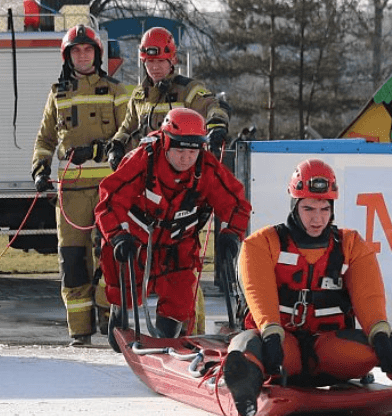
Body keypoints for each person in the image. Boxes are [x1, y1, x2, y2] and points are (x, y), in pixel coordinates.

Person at [222, 159, 392, 416]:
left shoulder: (351, 245)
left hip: (331, 352)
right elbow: (259, 297)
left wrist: (381, 341)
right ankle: (246, 392)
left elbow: (370, 300)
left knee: (391, 341)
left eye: (324, 208)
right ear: (294, 205)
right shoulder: (261, 244)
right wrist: (272, 336)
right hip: (280, 352)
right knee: (247, 340)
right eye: (308, 208)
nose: (317, 218)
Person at [95, 107, 251, 345]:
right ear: (166, 142)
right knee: (121, 272)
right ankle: (120, 314)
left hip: (178, 242)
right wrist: (117, 236)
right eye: (179, 149)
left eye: (192, 151)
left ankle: (168, 339)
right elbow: (109, 200)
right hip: (137, 240)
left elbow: (237, 203)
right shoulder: (143, 160)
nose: (186, 158)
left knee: (180, 299)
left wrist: (232, 234)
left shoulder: (207, 168)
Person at [31, 24, 131, 347]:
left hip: (108, 192)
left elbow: (128, 140)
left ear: (97, 54)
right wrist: (39, 168)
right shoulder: (57, 93)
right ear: (68, 56)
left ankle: (109, 321)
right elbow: (45, 138)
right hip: (70, 195)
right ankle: (79, 331)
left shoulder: (117, 91)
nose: (83, 55)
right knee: (72, 260)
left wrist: (100, 150)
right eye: (76, 50)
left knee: (109, 257)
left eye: (88, 50)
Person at [106, 27, 230, 170]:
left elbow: (214, 107)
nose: (155, 67)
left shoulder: (188, 89)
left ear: (172, 60)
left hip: (182, 174)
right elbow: (127, 128)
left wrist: (217, 126)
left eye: (160, 61)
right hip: (147, 174)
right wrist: (116, 145)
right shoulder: (139, 95)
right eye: (150, 62)